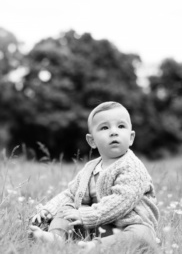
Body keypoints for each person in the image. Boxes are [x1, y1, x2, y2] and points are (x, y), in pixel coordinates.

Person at [28, 101, 160, 252]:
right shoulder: (90, 168)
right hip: (100, 225)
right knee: (67, 208)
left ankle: (96, 247)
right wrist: (49, 210)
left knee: (141, 235)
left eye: (121, 126)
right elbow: (71, 194)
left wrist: (87, 215)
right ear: (92, 141)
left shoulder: (132, 167)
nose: (114, 132)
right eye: (104, 127)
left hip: (130, 225)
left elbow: (121, 201)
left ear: (131, 138)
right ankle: (56, 237)